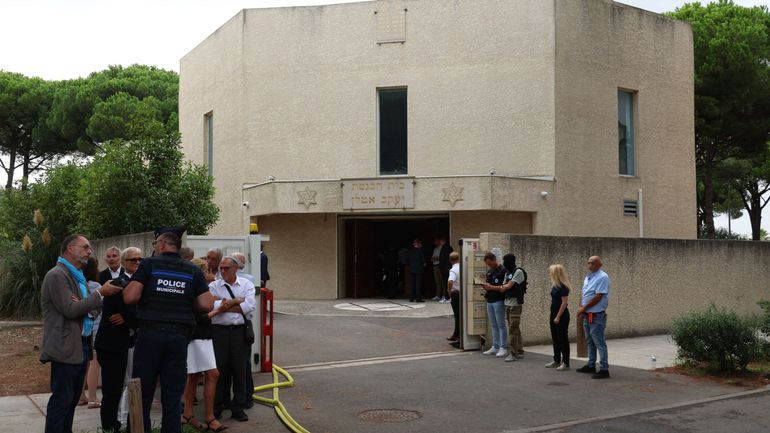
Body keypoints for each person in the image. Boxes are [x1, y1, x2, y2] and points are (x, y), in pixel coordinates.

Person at [124, 229, 214, 433]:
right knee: (172, 398)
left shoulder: (148, 264)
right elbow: (207, 304)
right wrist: (183, 295)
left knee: (142, 394)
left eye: (155, 243)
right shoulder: (192, 270)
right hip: (178, 338)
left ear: (163, 244)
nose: (154, 247)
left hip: (150, 336)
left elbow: (130, 297)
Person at [40, 234, 120, 433]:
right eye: (85, 247)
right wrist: (100, 293)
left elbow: (88, 310)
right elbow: (70, 309)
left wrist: (86, 303)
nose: (90, 252)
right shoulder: (57, 275)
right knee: (62, 399)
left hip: (81, 344)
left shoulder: (77, 276)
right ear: (70, 248)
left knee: (73, 399)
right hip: (65, 346)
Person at [95, 247, 142, 432]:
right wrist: (132, 317)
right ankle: (109, 426)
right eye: (133, 260)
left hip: (129, 342)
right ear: (123, 263)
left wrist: (130, 317)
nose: (137, 263)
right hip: (111, 344)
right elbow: (120, 311)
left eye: (140, 259)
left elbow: (137, 312)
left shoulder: (141, 282)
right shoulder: (118, 283)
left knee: (128, 383)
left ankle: (125, 421)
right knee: (112, 388)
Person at [210, 256, 257, 422]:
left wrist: (224, 305)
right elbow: (211, 306)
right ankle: (217, 407)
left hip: (238, 332)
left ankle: (238, 407)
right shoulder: (214, 285)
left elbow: (250, 306)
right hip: (219, 332)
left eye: (226, 268)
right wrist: (237, 302)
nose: (222, 271)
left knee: (240, 370)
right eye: (221, 268)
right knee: (218, 371)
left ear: (235, 268)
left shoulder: (246, 284)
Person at [182, 258, 227, 432]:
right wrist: (218, 310)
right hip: (196, 336)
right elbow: (198, 318)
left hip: (203, 336)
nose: (210, 273)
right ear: (200, 272)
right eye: (207, 270)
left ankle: (188, 414)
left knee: (194, 375)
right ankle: (209, 417)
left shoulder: (198, 288)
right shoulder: (193, 289)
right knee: (212, 374)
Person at [576, 255, 611, 379]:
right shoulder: (589, 276)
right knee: (590, 340)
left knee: (599, 341)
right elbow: (585, 292)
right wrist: (581, 305)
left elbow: (598, 296)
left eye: (592, 263)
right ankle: (591, 365)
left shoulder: (602, 277)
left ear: (599, 264)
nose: (590, 265)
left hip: (596, 314)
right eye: (589, 263)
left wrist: (584, 308)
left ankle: (604, 369)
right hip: (588, 314)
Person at [232, 251, 256, 410]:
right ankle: (247, 397)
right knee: (244, 365)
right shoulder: (250, 279)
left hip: (241, 327)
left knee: (243, 365)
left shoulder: (247, 280)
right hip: (242, 326)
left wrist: (225, 306)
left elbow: (248, 307)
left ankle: (244, 398)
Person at [490, 254, 526, 362]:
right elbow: (503, 286)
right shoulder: (508, 273)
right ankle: (519, 351)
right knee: (515, 328)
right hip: (508, 303)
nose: (505, 263)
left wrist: (504, 287)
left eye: (506, 261)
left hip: (515, 304)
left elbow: (508, 286)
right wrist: (504, 287)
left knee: (512, 329)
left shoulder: (518, 271)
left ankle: (513, 353)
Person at [80, 257, 103, 409]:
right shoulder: (96, 286)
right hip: (95, 328)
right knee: (95, 362)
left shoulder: (78, 285)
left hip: (82, 329)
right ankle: (93, 398)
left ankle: (80, 396)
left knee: (84, 364)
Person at [480, 252, 508, 358]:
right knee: (493, 325)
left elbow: (504, 287)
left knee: (501, 324)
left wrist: (490, 287)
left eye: (490, 263)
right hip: (490, 300)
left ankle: (503, 347)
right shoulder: (490, 271)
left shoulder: (503, 271)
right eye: (487, 264)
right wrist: (485, 286)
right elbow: (489, 285)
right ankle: (495, 346)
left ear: (494, 259)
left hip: (499, 300)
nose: (489, 265)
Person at [545, 264, 571, 371]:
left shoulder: (563, 286)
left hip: (561, 315)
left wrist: (558, 316)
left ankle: (565, 362)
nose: (549, 273)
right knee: (555, 338)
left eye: (551, 271)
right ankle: (556, 360)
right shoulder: (554, 285)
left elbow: (564, 303)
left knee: (562, 339)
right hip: (553, 314)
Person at [446, 252, 461, 344]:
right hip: (461, 293)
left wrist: (449, 291)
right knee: (460, 315)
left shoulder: (453, 269)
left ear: (450, 260)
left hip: (455, 293)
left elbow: (450, 281)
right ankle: (456, 334)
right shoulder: (461, 267)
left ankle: (457, 335)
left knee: (457, 316)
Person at [438, 238, 453, 302]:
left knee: (446, 282)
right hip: (446, 268)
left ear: (443, 241)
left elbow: (442, 258)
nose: (440, 243)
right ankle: (447, 297)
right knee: (446, 282)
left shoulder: (445, 248)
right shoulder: (448, 247)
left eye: (440, 241)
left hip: (445, 268)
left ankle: (448, 297)